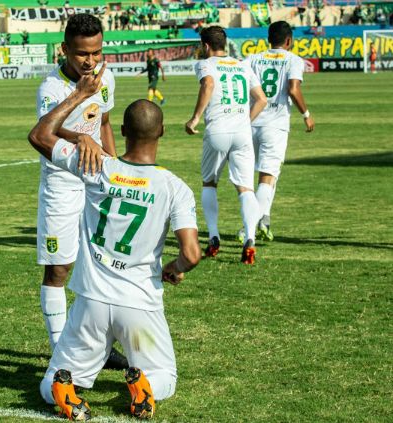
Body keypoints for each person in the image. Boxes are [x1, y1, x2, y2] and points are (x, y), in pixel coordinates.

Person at [28, 67, 201, 421]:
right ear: (163, 132)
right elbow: (191, 254)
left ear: (122, 132)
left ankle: (65, 389)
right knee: (165, 377)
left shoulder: (97, 166)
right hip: (139, 306)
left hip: (91, 302)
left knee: (50, 382)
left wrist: (78, 102)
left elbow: (40, 135)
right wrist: (174, 268)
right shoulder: (174, 187)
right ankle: (142, 387)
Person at [35, 13, 128, 370]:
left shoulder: (107, 77)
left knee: (102, 266)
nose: (90, 61)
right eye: (81, 54)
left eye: (96, 52)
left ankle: (99, 349)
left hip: (98, 181)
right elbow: (45, 132)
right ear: (65, 50)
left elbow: (103, 122)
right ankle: (60, 354)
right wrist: (80, 100)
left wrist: (116, 169)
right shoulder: (51, 88)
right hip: (62, 182)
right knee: (59, 269)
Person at [184, 26, 267, 264]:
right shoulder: (243, 64)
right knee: (245, 189)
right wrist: (244, 120)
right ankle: (250, 238)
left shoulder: (205, 63)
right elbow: (262, 99)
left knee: (209, 182)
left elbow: (208, 85)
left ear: (206, 46)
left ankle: (213, 236)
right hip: (242, 133)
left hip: (217, 131)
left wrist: (195, 118)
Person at [244, 21, 314, 243]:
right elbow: (293, 89)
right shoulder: (293, 59)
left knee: (262, 176)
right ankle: (251, 225)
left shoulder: (253, 58)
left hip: (251, 122)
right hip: (275, 125)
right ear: (289, 41)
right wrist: (306, 114)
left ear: (268, 40)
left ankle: (264, 218)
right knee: (268, 175)